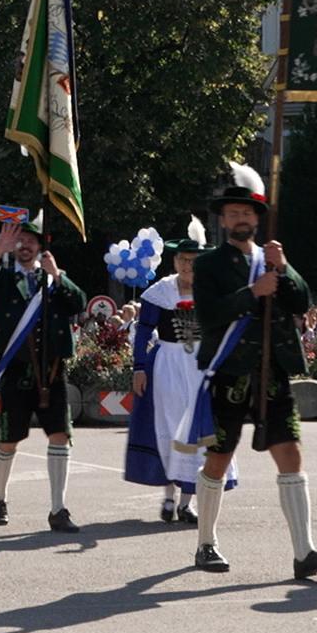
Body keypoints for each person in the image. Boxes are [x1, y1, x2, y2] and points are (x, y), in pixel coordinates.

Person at [187, 162, 317, 578]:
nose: (240, 219)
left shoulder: (271, 257)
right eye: (233, 213)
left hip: (270, 373)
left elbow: (300, 301)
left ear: (257, 218)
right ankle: (206, 543)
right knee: (219, 458)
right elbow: (209, 314)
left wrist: (285, 268)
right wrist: (250, 293)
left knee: (290, 454)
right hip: (230, 373)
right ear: (223, 220)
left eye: (247, 213)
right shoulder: (209, 266)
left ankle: (304, 552)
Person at [0, 211, 87, 533]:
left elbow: (78, 302)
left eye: (30, 241)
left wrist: (56, 276)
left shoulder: (53, 278)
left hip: (53, 370)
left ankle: (58, 509)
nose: (24, 245)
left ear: (41, 246)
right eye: (19, 241)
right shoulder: (5, 275)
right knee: (9, 439)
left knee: (60, 436)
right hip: (16, 370)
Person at [123, 218, 233, 523]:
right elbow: (144, 332)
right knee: (170, 428)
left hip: (201, 366)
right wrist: (139, 368)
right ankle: (169, 498)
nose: (188, 266)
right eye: (184, 260)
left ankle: (188, 502)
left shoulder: (211, 292)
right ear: (175, 261)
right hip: (168, 365)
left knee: (197, 432)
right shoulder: (160, 292)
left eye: (194, 261)